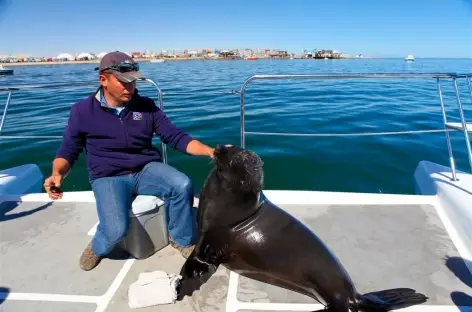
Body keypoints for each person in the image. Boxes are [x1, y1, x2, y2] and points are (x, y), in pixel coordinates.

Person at [43, 51, 215, 271]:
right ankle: (97, 246)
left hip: (145, 168)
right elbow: (68, 150)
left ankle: (179, 239)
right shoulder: (81, 111)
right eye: (123, 81)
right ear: (103, 80)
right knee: (115, 229)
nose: (130, 86)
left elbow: (175, 137)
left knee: (181, 184)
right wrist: (57, 174)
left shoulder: (146, 106)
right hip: (108, 176)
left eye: (133, 80)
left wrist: (210, 151)